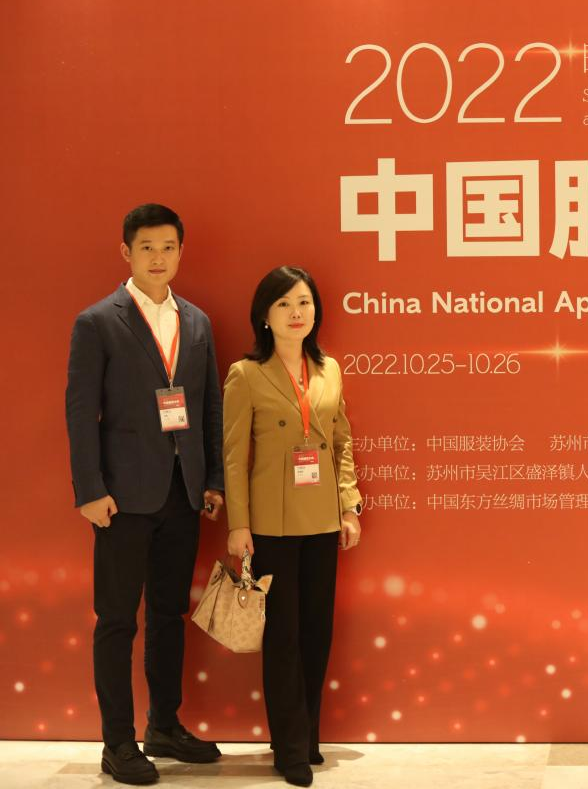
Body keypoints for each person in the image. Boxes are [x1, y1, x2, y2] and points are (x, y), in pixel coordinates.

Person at [66, 203, 225, 785]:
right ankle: (117, 742)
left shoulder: (197, 322)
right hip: (121, 498)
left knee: (168, 614)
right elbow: (81, 413)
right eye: (147, 248)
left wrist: (212, 481)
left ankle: (163, 725)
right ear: (127, 252)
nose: (159, 258)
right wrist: (89, 489)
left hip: (183, 494)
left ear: (181, 251)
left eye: (168, 247)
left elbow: (209, 407)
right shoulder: (97, 321)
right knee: (116, 620)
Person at [223, 266, 362, 787]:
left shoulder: (329, 369)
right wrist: (239, 525)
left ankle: (308, 737)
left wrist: (349, 507)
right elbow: (234, 458)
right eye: (283, 304)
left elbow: (342, 443)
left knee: (317, 632)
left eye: (304, 302)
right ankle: (288, 748)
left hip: (322, 517)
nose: (296, 312)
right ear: (265, 315)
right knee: (283, 636)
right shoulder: (245, 374)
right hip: (272, 524)